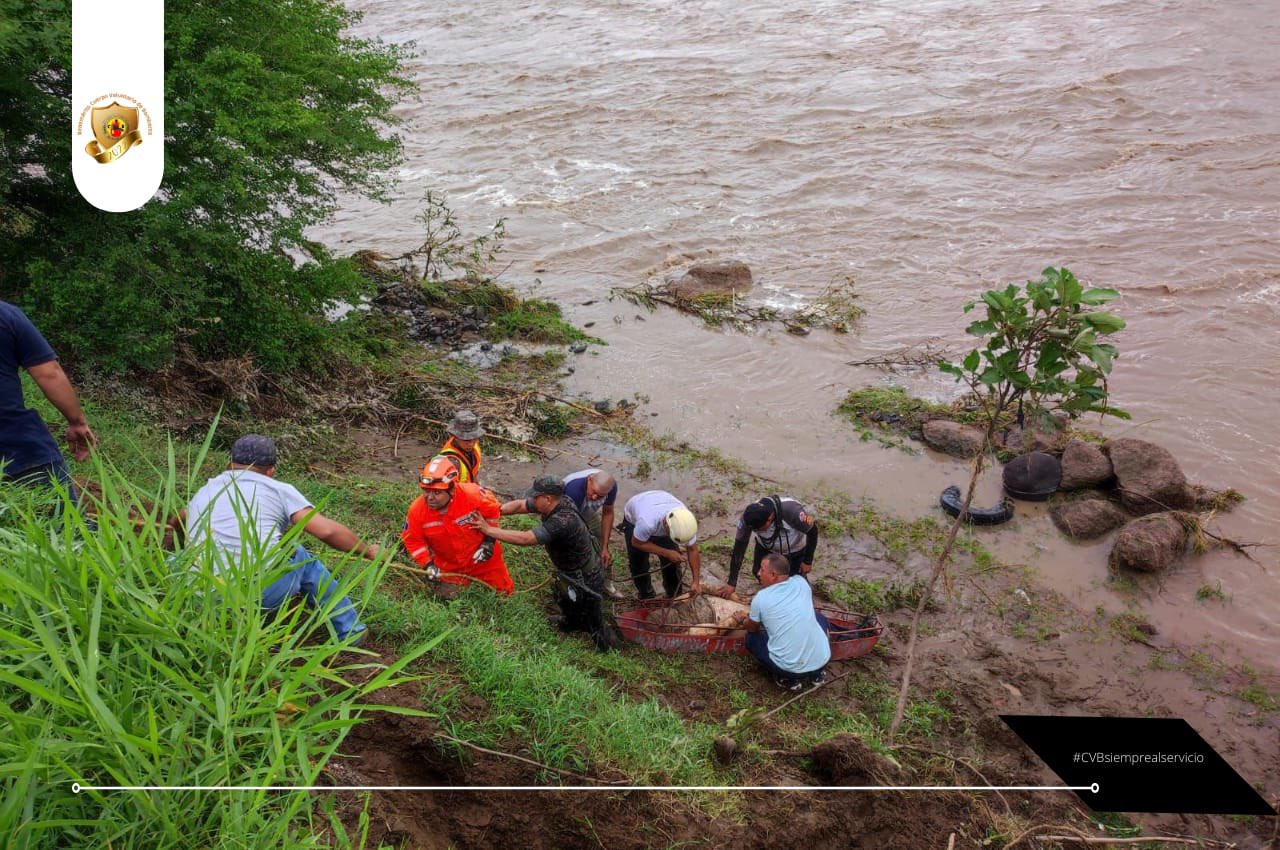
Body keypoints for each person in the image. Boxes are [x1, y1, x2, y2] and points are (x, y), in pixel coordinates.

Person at [184, 434, 376, 644]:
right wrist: (368, 551)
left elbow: (181, 518)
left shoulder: (206, 490)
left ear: (230, 463)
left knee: (185, 558)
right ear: (270, 470)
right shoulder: (276, 489)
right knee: (301, 556)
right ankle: (351, 632)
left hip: (197, 593)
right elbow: (326, 531)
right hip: (255, 594)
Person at [469, 475, 616, 652]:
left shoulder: (563, 520)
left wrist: (488, 530)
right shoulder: (557, 500)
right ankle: (570, 623)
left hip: (586, 576)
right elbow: (521, 505)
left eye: (536, 497)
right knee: (565, 599)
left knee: (593, 617)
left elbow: (526, 539)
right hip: (568, 571)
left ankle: (609, 649)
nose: (532, 500)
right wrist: (494, 510)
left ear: (547, 499)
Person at [1, 300, 97, 500]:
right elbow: (49, 374)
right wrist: (77, 422)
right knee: (67, 526)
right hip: (14, 445)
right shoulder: (7, 316)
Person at [400, 455, 513, 595]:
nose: (430, 497)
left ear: (451, 489)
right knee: (450, 600)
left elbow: (492, 513)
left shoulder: (473, 495)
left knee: (503, 594)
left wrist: (489, 541)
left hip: (485, 561)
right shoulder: (417, 511)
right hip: (449, 567)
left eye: (436, 492)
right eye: (426, 491)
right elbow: (413, 541)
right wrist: (427, 565)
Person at [727, 553, 830, 691]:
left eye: (762, 570)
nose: (758, 573)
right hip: (823, 661)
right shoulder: (801, 582)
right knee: (819, 618)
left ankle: (788, 679)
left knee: (751, 639)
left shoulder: (761, 598)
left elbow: (752, 628)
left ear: (773, 575)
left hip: (790, 669)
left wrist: (742, 619)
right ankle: (817, 675)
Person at [713, 495, 819, 596]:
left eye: (760, 529)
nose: (757, 531)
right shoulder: (748, 516)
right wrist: (731, 582)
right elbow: (739, 548)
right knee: (758, 572)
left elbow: (813, 531)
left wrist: (807, 561)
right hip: (765, 546)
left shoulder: (792, 510)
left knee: (793, 581)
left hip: (793, 550)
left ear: (770, 518)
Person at [620, 490, 701, 598]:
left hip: (659, 502)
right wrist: (666, 552)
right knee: (639, 563)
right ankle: (646, 595)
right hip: (634, 520)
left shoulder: (685, 522)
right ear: (666, 527)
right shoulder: (647, 522)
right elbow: (636, 543)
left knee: (672, 563)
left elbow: (693, 550)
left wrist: (696, 581)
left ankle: (674, 595)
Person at [561, 468, 617, 569]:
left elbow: (608, 513)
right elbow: (568, 523)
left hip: (586, 512)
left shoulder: (610, 487)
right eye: (594, 492)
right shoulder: (574, 490)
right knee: (573, 549)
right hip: (565, 513)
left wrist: (604, 547)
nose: (594, 497)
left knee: (600, 546)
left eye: (600, 496)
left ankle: (604, 578)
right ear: (589, 479)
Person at [433, 409, 484, 484]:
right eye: (466, 440)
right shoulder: (450, 461)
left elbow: (474, 473)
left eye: (474, 438)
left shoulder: (474, 445)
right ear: (454, 436)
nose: (471, 444)